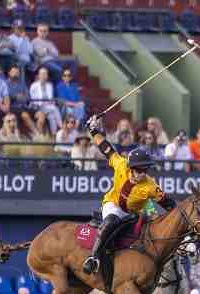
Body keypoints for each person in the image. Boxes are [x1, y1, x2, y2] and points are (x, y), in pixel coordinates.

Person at [81, 115, 176, 274]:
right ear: (131, 167)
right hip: (113, 205)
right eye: (138, 170)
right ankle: (94, 258)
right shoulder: (120, 164)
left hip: (132, 214)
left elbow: (168, 204)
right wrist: (93, 130)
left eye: (144, 170)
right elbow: (105, 147)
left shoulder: (151, 186)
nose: (141, 174)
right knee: (112, 220)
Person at [29, 67, 63, 133]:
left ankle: (54, 135)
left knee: (52, 117)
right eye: (42, 74)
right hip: (38, 107)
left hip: (48, 107)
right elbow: (33, 99)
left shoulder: (49, 85)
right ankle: (61, 127)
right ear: (38, 75)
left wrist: (50, 103)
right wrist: (45, 103)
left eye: (45, 74)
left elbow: (50, 98)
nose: (44, 76)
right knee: (54, 109)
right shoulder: (34, 86)